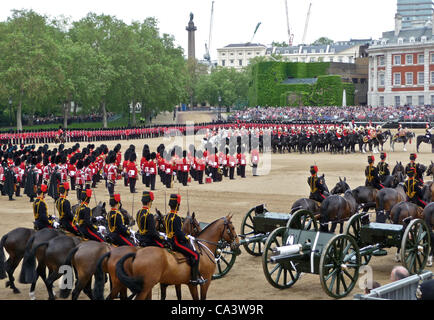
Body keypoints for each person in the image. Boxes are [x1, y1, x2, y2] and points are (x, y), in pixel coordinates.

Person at [165, 194, 205, 286]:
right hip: (176, 243)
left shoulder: (166, 216)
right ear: (177, 205)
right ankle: (194, 279)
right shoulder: (177, 218)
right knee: (195, 255)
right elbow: (179, 234)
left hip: (168, 241)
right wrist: (187, 237)